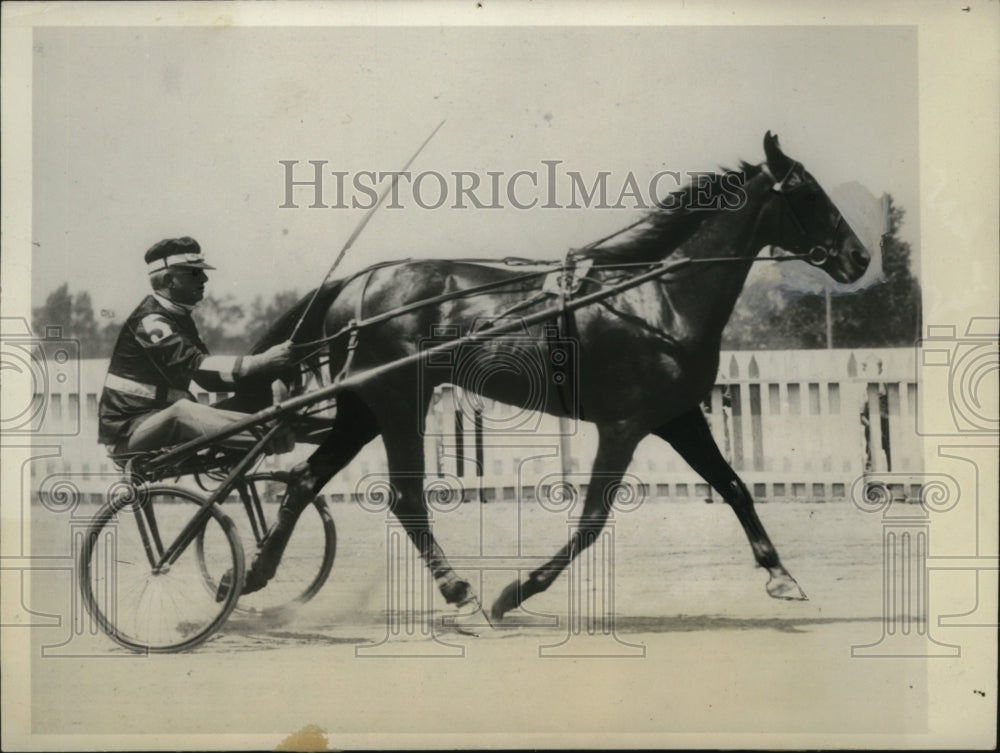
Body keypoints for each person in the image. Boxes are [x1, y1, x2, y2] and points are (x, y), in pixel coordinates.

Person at [98, 236, 296, 457]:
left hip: (158, 424)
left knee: (247, 402)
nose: (204, 278)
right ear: (168, 280)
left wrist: (264, 378)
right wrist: (261, 361)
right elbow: (196, 365)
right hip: (128, 433)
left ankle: (285, 427)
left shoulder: (179, 318)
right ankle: (268, 435)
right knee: (182, 412)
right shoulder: (151, 320)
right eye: (193, 273)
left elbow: (208, 379)